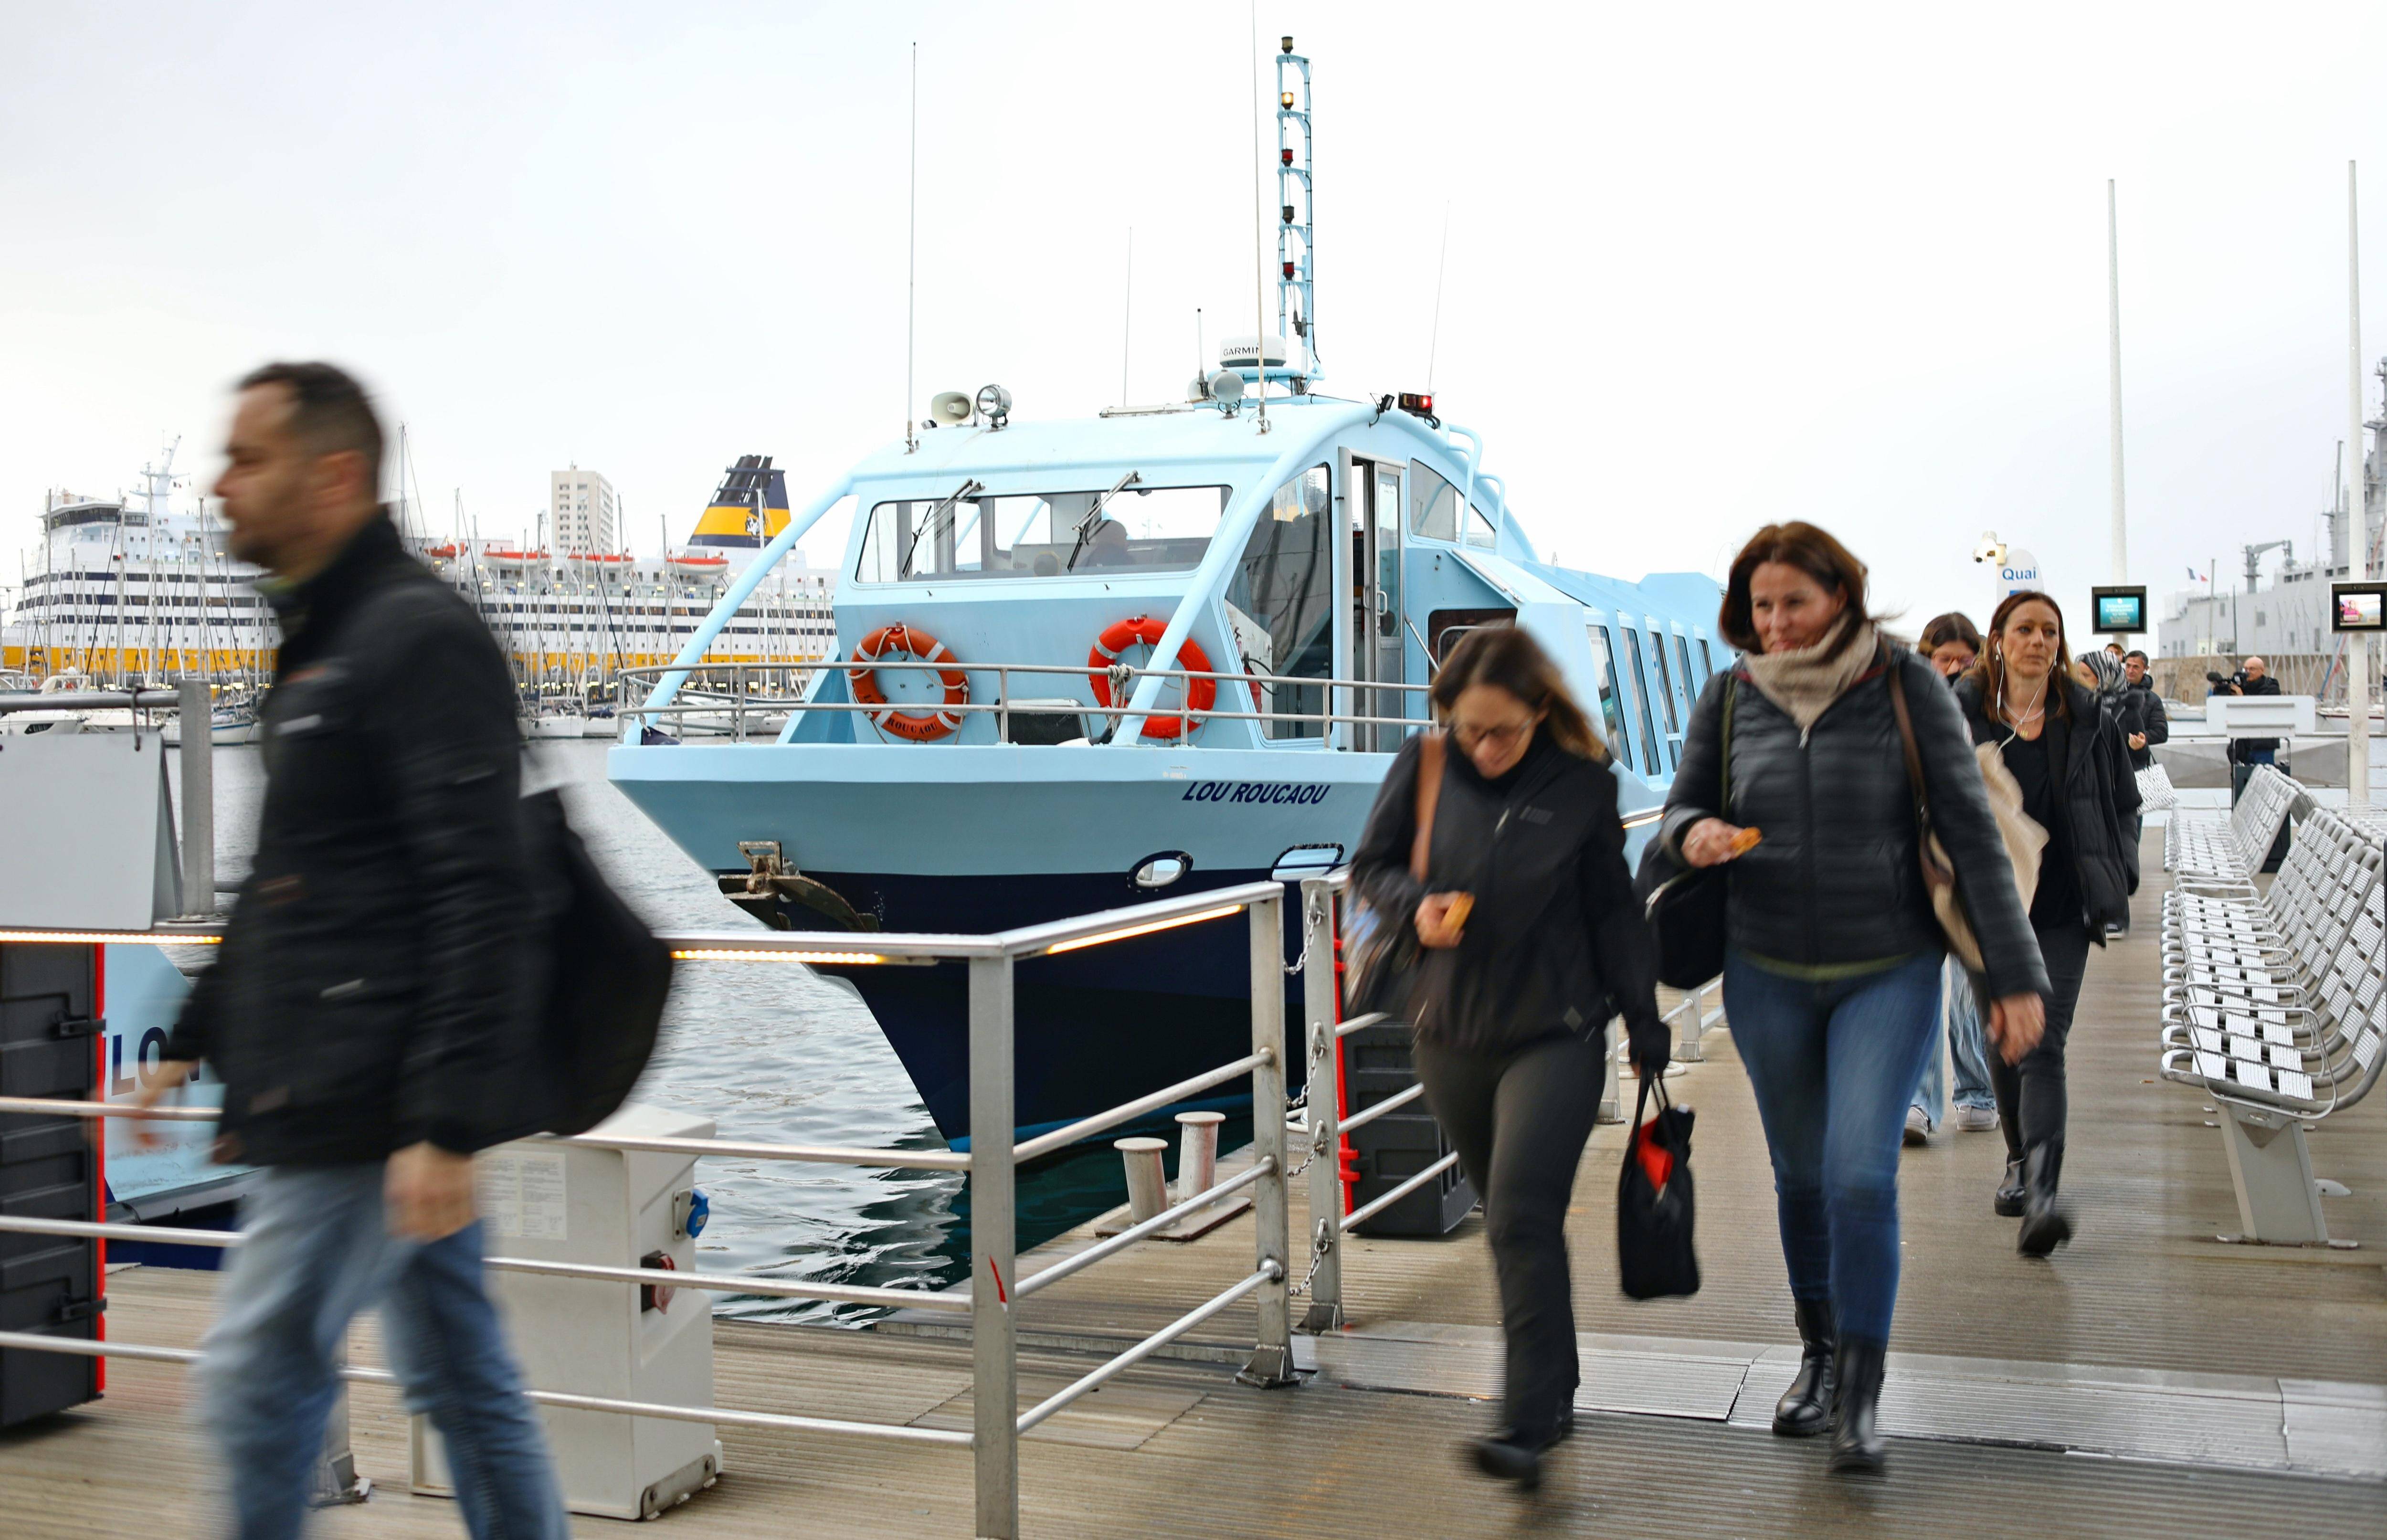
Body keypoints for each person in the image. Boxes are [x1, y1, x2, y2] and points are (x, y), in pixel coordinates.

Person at [130, 362, 567, 1540]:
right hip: (353, 1086)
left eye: (248, 458)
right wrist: (189, 1039)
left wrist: (442, 1121)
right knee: (462, 1379)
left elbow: (485, 888)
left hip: (364, 1099)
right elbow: (287, 873)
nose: (220, 484)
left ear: (332, 476)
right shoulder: (325, 639)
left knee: (256, 1378)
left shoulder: (416, 637)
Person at [1659, 526, 2047, 1476]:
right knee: (1801, 1177)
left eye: (1794, 601)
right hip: (1764, 972)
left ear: (1840, 595)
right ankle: (1821, 1355)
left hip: (1889, 965)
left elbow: (1972, 834)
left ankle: (1863, 1396)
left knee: (1860, 1176)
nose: (1776, 622)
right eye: (1761, 606)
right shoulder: (1729, 696)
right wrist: (1694, 832)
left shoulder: (1907, 686)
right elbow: (1677, 811)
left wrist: (2012, 978)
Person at [1351, 624, 1668, 1490]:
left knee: (1522, 1215)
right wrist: (1415, 904)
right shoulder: (1423, 767)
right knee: (1514, 1221)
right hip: (1450, 1034)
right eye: (1470, 730)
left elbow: (1613, 912)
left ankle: (1525, 1420)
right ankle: (1554, 1381)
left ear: (1538, 712)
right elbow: (1371, 865)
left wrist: (1644, 1018)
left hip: (1555, 1033)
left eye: (1505, 731)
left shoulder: (1583, 785)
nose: (1487, 748)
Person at [1953, 592, 2140, 1258]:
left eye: (2050, 631)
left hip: (2064, 903)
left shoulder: (2087, 716)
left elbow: (2125, 802)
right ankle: (2017, 1157)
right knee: (2004, 1038)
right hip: (1988, 906)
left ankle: (2041, 1194)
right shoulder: (1958, 714)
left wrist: (2122, 868)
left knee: (2043, 1042)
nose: (2038, 640)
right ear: (1998, 639)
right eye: (2025, 629)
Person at [1906, 613, 2000, 1140]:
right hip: (1917, 861)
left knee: (1969, 986)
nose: (1955, 669)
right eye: (1944, 659)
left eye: (1965, 660)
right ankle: (1918, 1102)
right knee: (1920, 983)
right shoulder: (1905, 704)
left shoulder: (1990, 707)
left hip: (1971, 862)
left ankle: (1977, 1090)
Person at [2216, 655, 2282, 802]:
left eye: (2252, 669)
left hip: (2263, 744)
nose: (2248, 673)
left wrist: (2242, 697)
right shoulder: (2242, 685)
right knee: (2244, 785)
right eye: (2246, 669)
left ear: (2262, 670)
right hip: (2243, 744)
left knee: (2265, 783)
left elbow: (2261, 708)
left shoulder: (2271, 686)